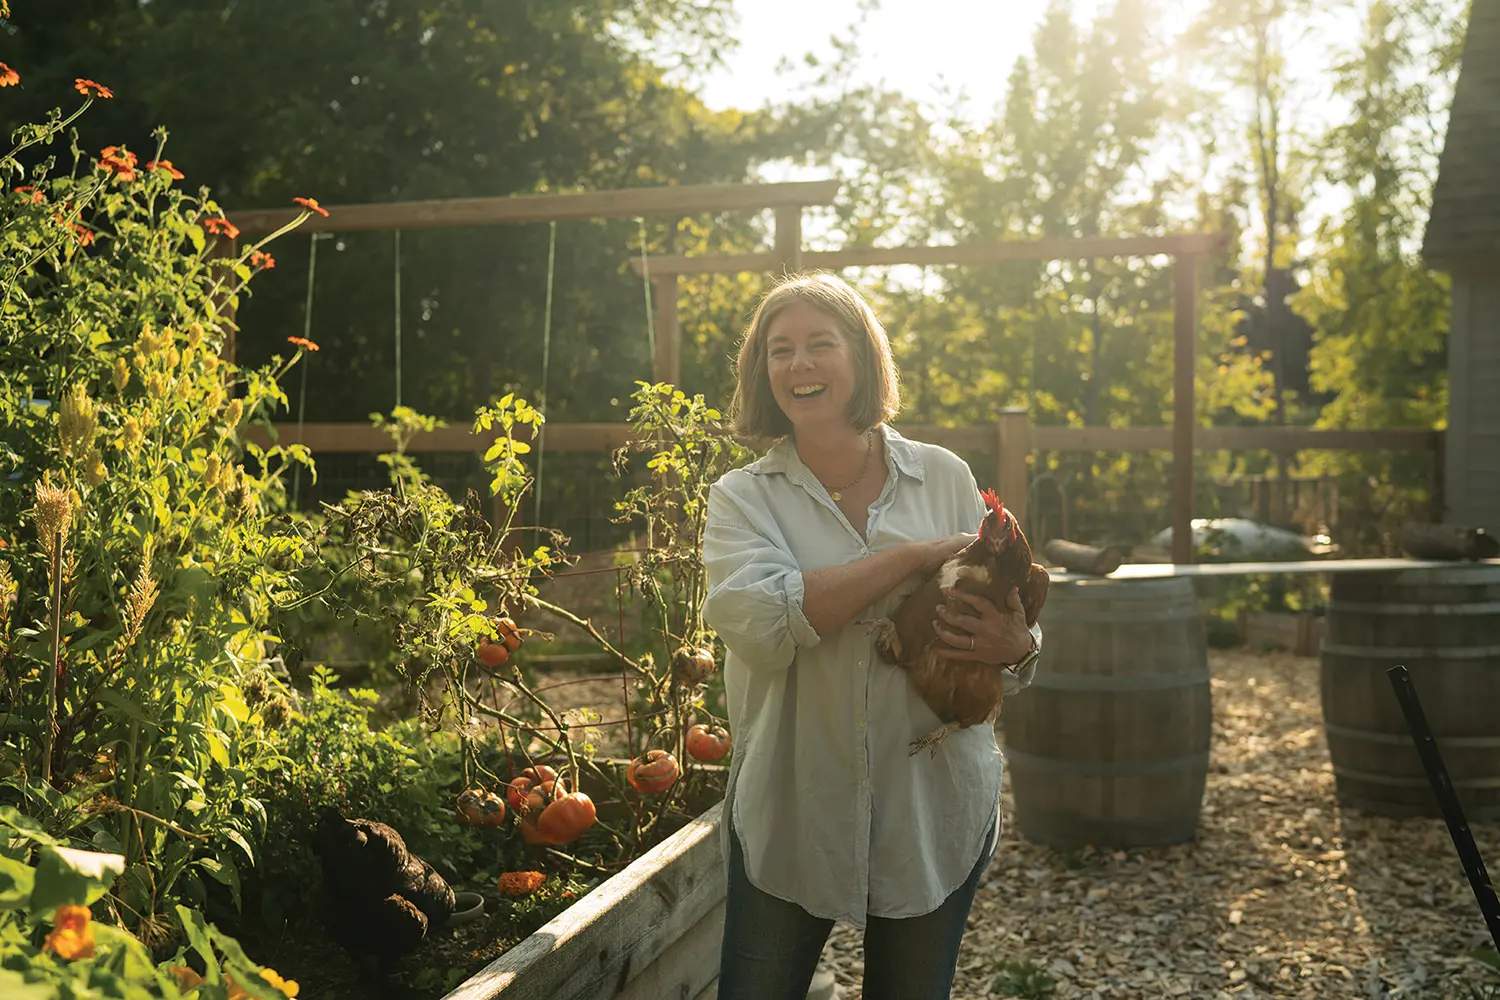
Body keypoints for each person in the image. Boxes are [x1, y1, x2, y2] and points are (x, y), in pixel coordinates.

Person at [701, 272, 1043, 1000]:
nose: (799, 366)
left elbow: (1006, 617)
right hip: (794, 804)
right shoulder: (743, 499)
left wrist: (1017, 650)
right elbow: (763, 626)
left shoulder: (944, 477)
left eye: (820, 344)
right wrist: (913, 558)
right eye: (779, 350)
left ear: (862, 357)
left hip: (930, 799)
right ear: (761, 370)